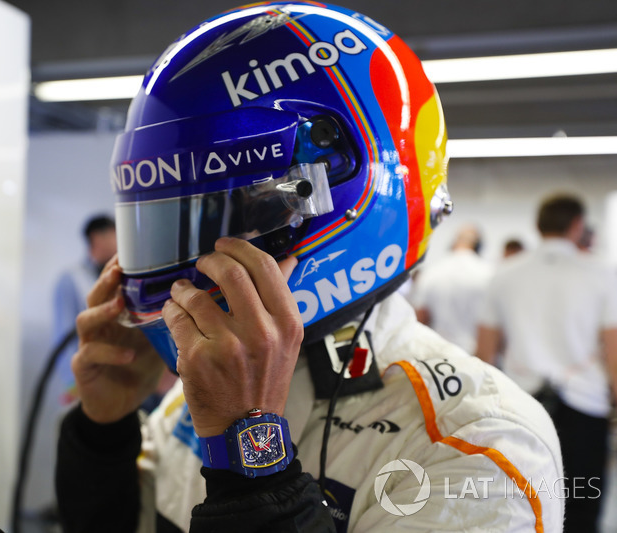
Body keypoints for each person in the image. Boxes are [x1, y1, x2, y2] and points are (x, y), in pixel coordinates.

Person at [55, 3, 563, 532]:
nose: (173, 283)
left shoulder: (484, 443)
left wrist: (249, 453)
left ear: (329, 199)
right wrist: (105, 432)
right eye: (167, 225)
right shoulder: (195, 395)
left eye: (218, 220)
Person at [477, 193, 617, 532]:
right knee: (583, 504)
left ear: (538, 226)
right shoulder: (602, 273)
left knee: (525, 503)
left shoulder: (503, 274)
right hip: (586, 402)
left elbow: (486, 350)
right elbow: (612, 344)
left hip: (522, 404)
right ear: (577, 226)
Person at [52, 215, 117, 402]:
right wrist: (74, 384)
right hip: (86, 381)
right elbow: (63, 335)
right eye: (115, 235)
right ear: (98, 238)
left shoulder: (116, 275)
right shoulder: (71, 278)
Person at [410, 225, 493, 354]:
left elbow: (420, 318)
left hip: (439, 354)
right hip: (475, 355)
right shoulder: (488, 273)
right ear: (478, 246)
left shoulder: (432, 272)